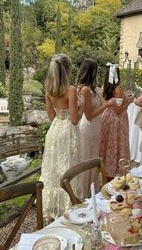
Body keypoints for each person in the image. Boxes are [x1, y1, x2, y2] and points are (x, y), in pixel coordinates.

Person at [40, 53, 81, 220]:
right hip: (68, 133)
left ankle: (52, 210)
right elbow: (74, 119)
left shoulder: (48, 89)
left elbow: (51, 117)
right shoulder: (70, 90)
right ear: (67, 69)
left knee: (53, 169)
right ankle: (68, 208)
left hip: (54, 131)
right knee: (68, 168)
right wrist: (82, 107)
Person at [76, 58, 115, 198]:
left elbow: (100, 104)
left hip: (96, 129)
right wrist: (106, 106)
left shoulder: (93, 89)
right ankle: (84, 194)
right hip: (88, 129)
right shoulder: (85, 90)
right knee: (87, 162)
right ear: (91, 71)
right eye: (96, 70)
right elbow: (89, 115)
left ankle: (91, 192)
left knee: (94, 163)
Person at [99, 63, 134, 180]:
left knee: (109, 145)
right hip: (117, 120)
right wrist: (129, 101)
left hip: (106, 117)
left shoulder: (105, 87)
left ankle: (106, 173)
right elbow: (119, 110)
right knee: (117, 146)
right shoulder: (118, 88)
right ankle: (114, 175)